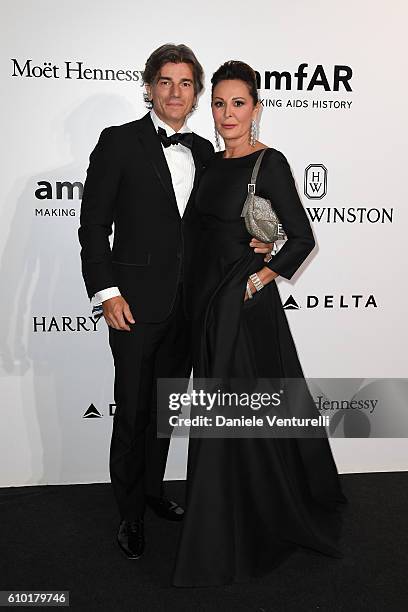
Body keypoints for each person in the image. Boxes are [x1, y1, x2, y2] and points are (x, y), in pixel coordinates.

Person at [78, 45, 272, 561]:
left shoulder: (208, 154)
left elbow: (218, 226)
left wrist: (259, 241)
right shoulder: (119, 143)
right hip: (135, 306)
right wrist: (106, 292)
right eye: (165, 82)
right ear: (148, 86)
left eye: (186, 84)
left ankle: (154, 492)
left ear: (196, 92)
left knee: (165, 411)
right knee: (134, 413)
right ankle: (129, 515)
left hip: (192, 307)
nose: (175, 92)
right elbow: (94, 225)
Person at [172, 61, 348, 587]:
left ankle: (242, 517)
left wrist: (262, 276)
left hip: (242, 306)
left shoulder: (269, 162)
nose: (228, 114)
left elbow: (302, 237)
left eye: (238, 103)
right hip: (206, 303)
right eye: (220, 104)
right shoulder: (208, 162)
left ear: (256, 107)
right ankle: (230, 501)